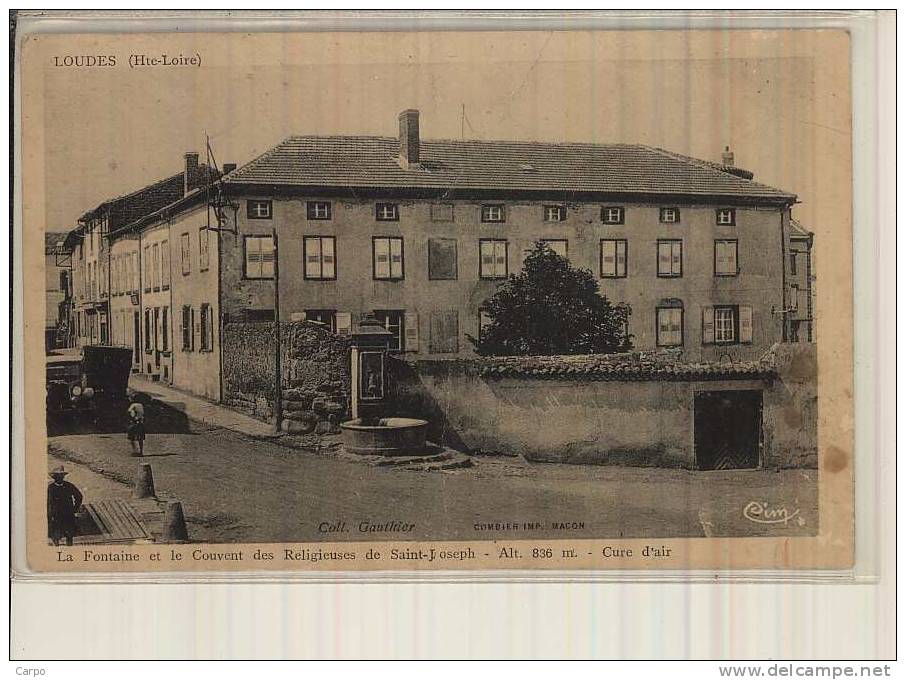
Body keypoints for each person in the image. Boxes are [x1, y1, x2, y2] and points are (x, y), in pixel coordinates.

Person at [47, 466, 83, 546]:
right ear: (54, 477)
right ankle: (56, 548)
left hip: (68, 513)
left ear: (63, 476)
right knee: (55, 534)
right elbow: (47, 502)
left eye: (61, 476)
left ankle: (69, 548)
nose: (60, 478)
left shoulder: (69, 485)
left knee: (69, 534)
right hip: (56, 514)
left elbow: (79, 496)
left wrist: (75, 508)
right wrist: (49, 514)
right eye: (58, 476)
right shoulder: (51, 488)